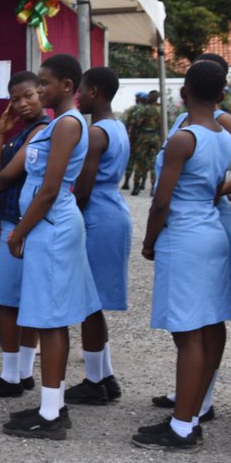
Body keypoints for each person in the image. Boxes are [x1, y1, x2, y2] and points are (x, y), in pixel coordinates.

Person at [151, 51, 231, 422]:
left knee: (193, 326)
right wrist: (215, 187)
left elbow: (162, 200)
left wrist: (219, 189)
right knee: (203, 320)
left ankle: (192, 410)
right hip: (204, 225)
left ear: (184, 90)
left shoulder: (211, 127)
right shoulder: (208, 130)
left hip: (188, 229)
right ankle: (191, 399)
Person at [135, 61, 231, 451]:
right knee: (209, 326)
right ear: (220, 94)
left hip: (184, 237)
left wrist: (148, 242)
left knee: (189, 335)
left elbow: (161, 201)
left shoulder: (184, 138)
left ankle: (181, 427)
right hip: (211, 232)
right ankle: (192, 413)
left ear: (185, 90)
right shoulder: (223, 133)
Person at [2, 53, 101, 440]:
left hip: (51, 227)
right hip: (47, 227)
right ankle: (51, 403)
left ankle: (51, 415)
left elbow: (49, 189)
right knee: (48, 316)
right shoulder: (57, 124)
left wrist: (18, 233)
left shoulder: (67, 125)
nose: (39, 89)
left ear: (66, 86)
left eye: (44, 83)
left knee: (51, 318)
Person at [0, 72, 48, 398]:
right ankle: (22, 371)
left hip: (17, 225)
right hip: (14, 221)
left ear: (41, 93)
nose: (22, 103)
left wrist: (2, 172)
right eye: (16, 99)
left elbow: (2, 180)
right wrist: (0, 134)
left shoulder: (42, 131)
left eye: (28, 95)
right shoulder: (22, 133)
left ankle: (12, 375)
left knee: (4, 302)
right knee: (17, 301)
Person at [66, 66, 130, 406]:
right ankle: (104, 374)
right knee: (97, 302)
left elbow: (84, 188)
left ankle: (94, 381)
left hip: (97, 215)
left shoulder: (95, 134)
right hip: (113, 209)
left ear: (96, 93)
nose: (78, 96)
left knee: (89, 302)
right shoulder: (117, 126)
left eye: (83, 89)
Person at [128, 90, 162, 196]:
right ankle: (153, 188)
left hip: (143, 137)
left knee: (139, 162)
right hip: (156, 138)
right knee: (154, 163)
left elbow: (135, 125)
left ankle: (136, 187)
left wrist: (132, 141)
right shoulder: (161, 109)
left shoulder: (144, 110)